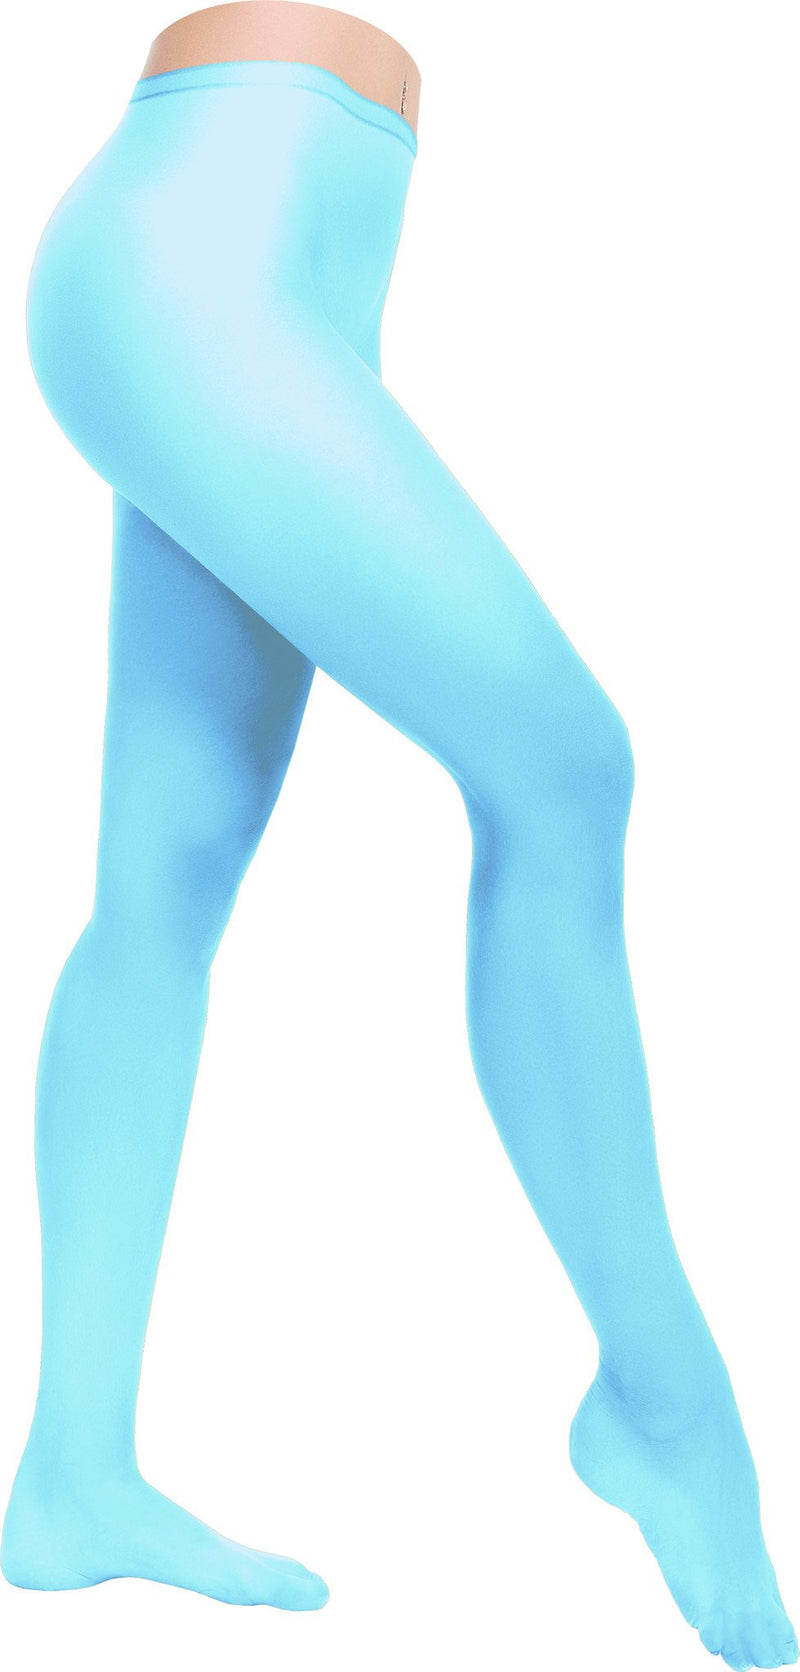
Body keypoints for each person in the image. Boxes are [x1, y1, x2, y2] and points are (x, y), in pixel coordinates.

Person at [1, 6, 796, 1667]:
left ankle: (71, 1476)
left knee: (161, 885)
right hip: (203, 267)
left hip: (248, 260)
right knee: (566, 771)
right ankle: (663, 1396)